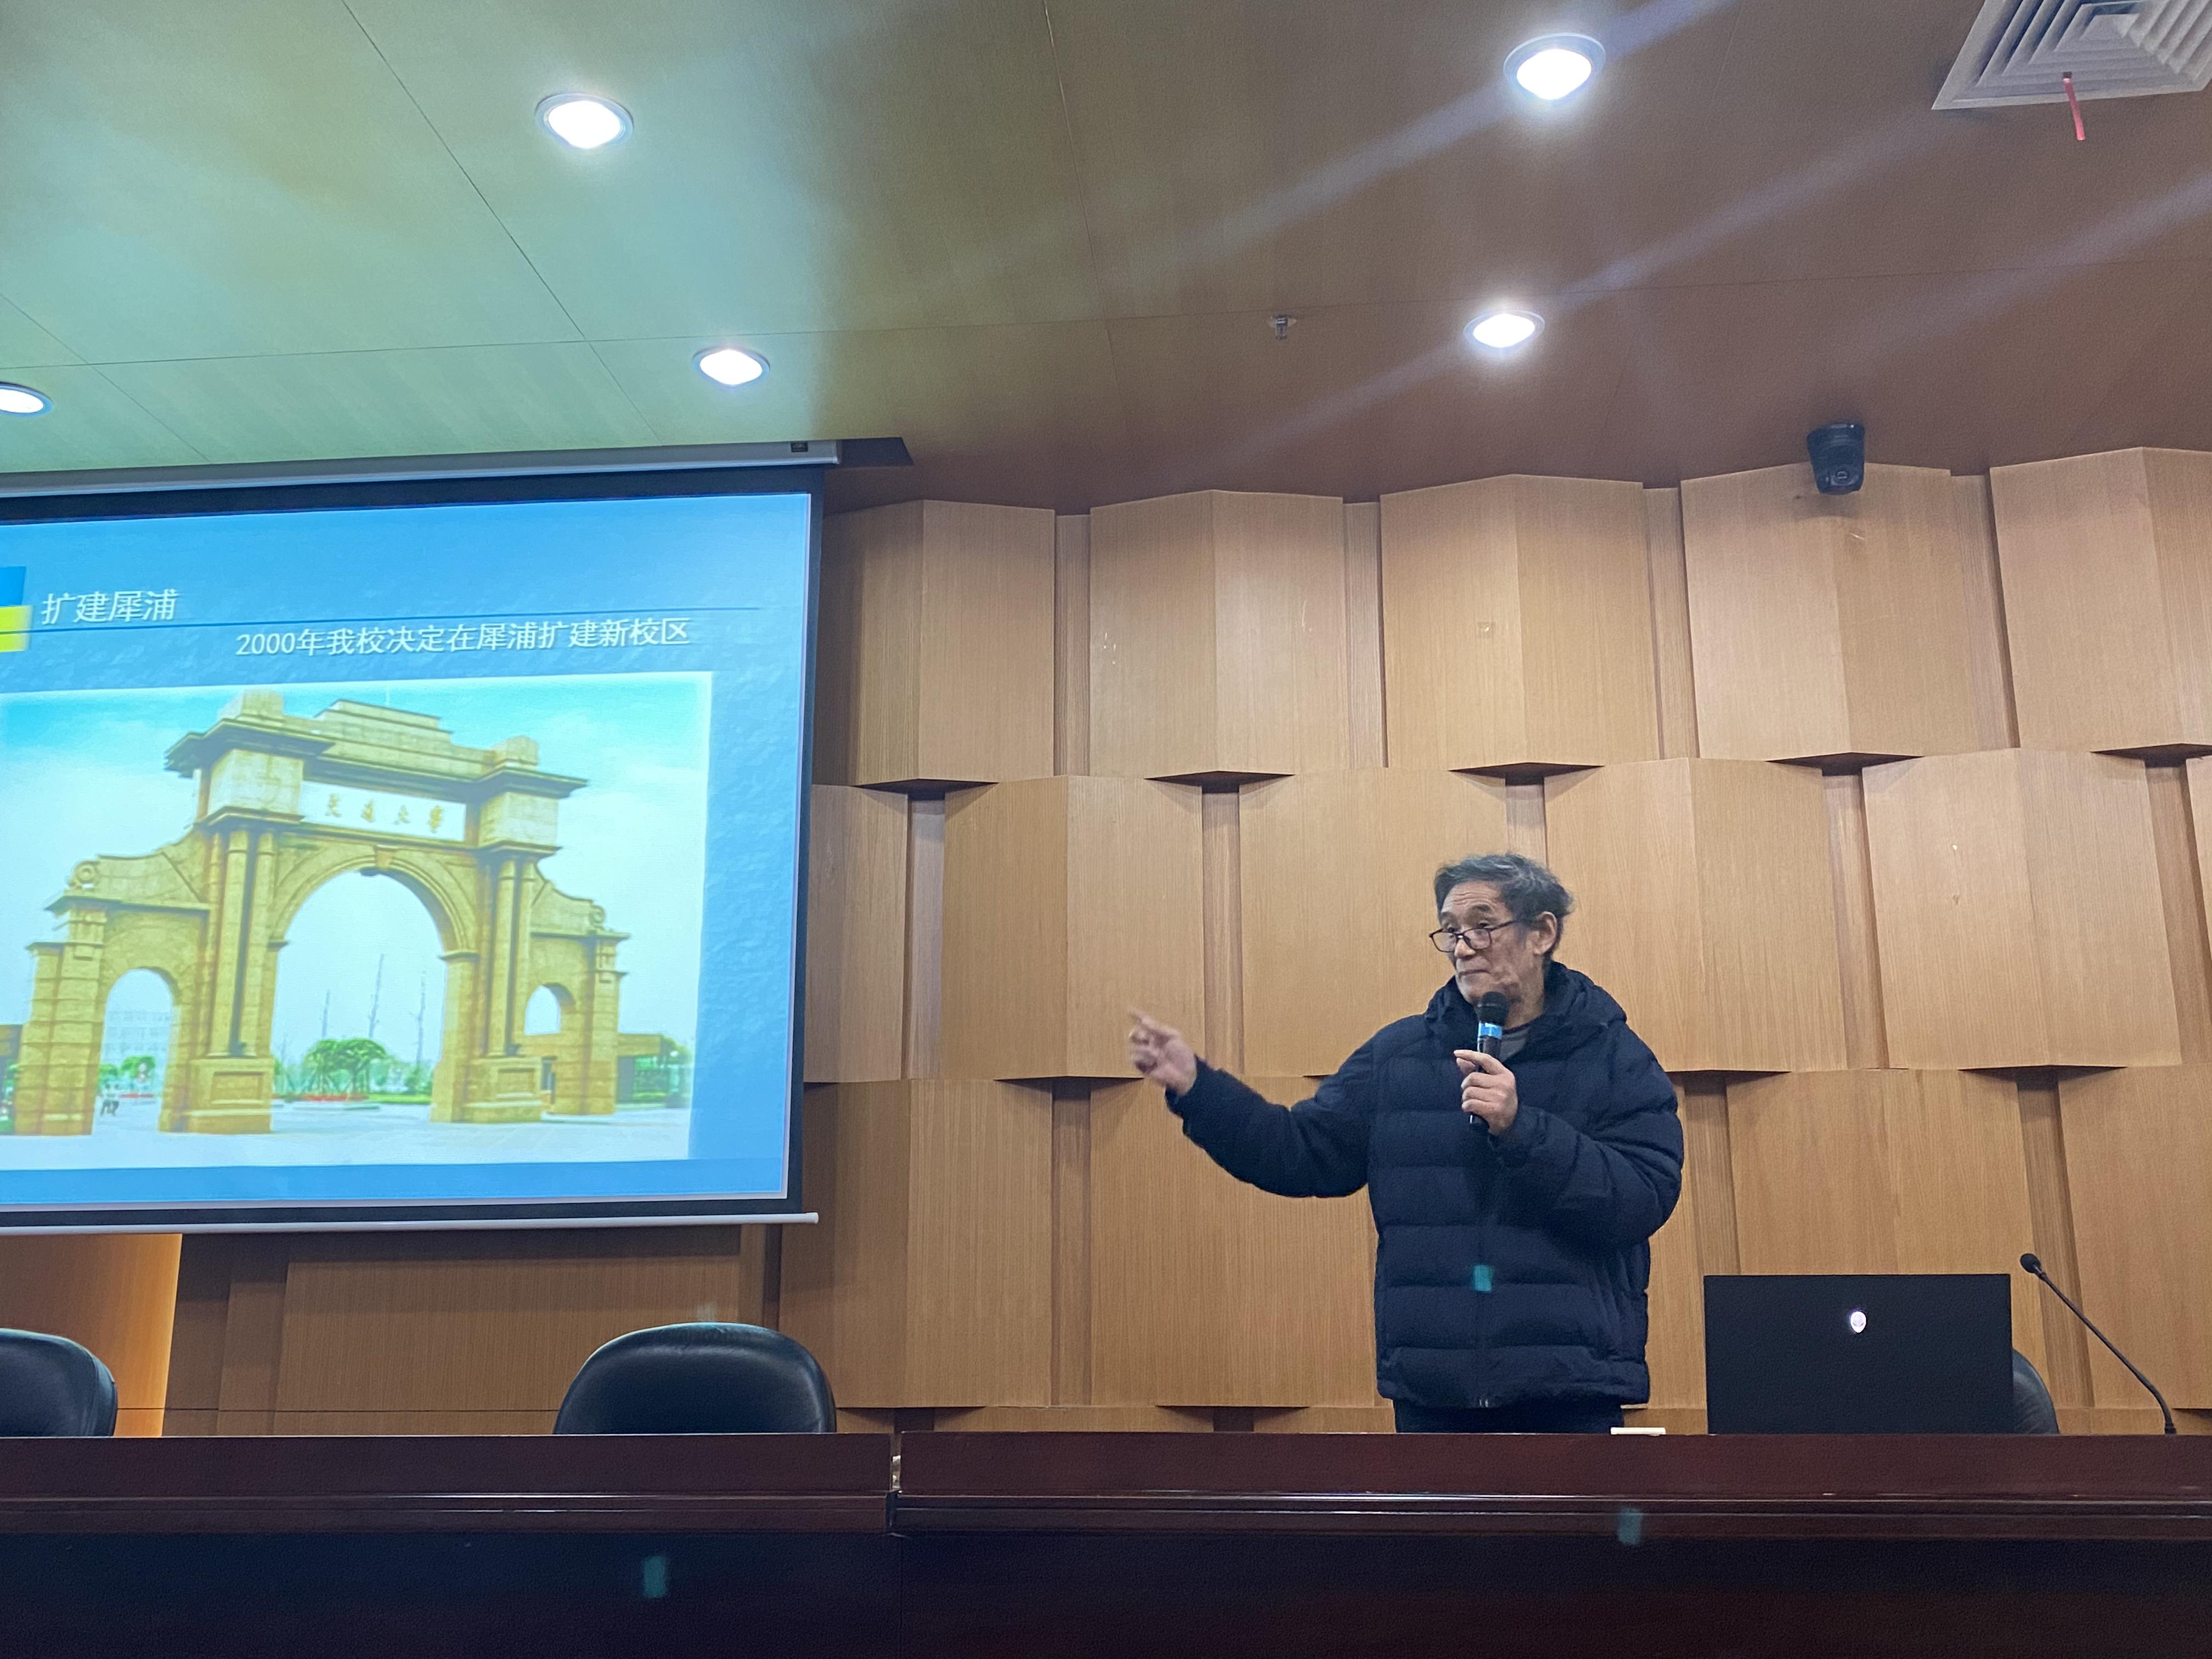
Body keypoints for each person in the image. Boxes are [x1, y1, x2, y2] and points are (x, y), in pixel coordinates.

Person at [1127, 852, 1682, 1434]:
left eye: (1483, 927)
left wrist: (1523, 1128)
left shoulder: (1615, 1058)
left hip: (1570, 1390)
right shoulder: (1400, 1057)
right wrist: (1199, 1089)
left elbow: (1642, 1197)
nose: (1464, 947)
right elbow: (1301, 1152)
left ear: (1542, 933)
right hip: (1432, 1393)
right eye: (1451, 931)